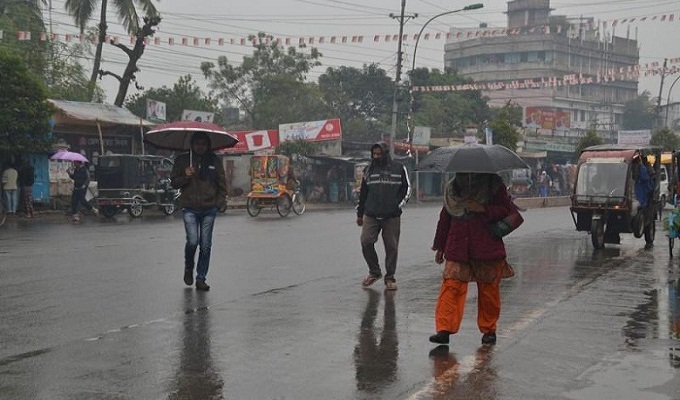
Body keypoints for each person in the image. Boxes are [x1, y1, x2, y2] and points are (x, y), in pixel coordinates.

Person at [429, 173, 519, 346]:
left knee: (488, 291)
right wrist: (440, 246)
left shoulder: (493, 185)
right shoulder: (452, 188)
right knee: (451, 286)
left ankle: (489, 330)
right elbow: (445, 217)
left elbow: (507, 210)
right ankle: (444, 329)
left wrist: (482, 209)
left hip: (485, 244)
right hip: (457, 245)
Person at [171, 132, 227, 291]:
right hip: (189, 207)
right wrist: (185, 175)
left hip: (209, 209)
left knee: (206, 245)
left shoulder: (214, 161)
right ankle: (189, 267)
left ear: (207, 145)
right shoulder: (182, 160)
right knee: (193, 241)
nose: (200, 147)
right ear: (192, 144)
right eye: (197, 143)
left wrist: (219, 202)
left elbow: (222, 185)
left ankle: (201, 277)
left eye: (203, 144)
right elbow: (174, 183)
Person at [356, 142, 411, 291]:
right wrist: (360, 214)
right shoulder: (368, 170)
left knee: (391, 247)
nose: (376, 156)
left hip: (391, 216)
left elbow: (406, 190)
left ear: (385, 153)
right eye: (374, 154)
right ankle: (374, 272)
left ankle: (390, 278)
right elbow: (363, 194)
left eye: (379, 154)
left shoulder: (399, 168)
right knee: (366, 241)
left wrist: (396, 205)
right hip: (371, 214)